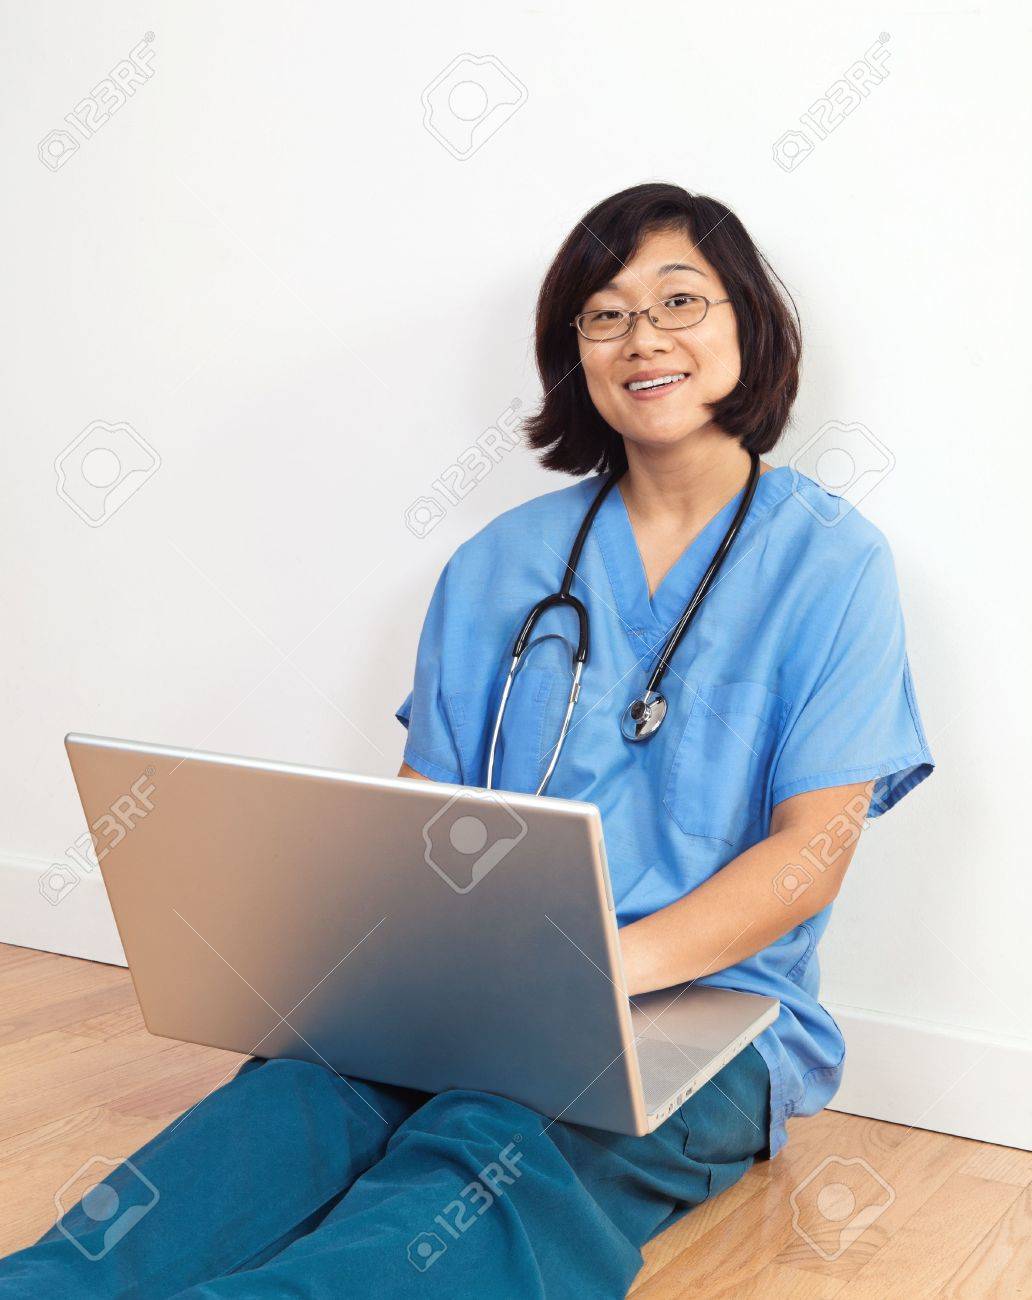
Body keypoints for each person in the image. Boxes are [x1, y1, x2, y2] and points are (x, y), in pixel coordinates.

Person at [0, 182, 934, 1298]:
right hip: (474, 991)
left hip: (707, 1012)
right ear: (575, 352)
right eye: (606, 314)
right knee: (289, 1102)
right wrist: (363, 970)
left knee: (486, 1151)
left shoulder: (833, 562)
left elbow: (811, 851)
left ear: (750, 324)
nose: (643, 338)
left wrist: (600, 975)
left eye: (680, 301)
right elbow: (420, 819)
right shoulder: (500, 563)